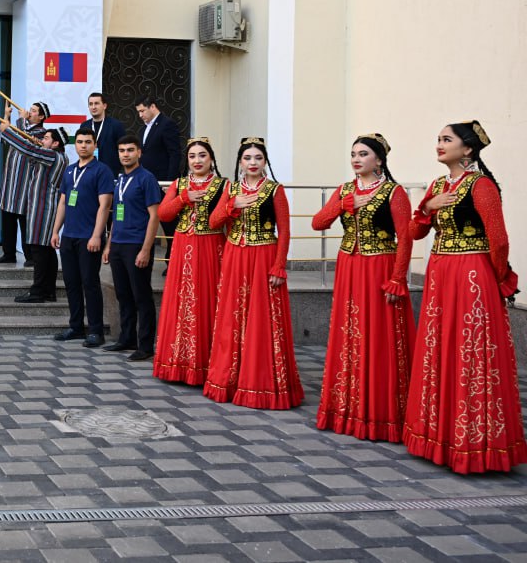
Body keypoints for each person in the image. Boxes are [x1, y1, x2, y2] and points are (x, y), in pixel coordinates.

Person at [403, 121, 525, 473]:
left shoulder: (481, 186)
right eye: (438, 139)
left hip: (472, 274)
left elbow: (498, 239)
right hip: (441, 274)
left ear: (467, 149)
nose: (439, 144)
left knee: (470, 350)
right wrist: (428, 207)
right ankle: (438, 436)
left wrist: (499, 278)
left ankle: (475, 442)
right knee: (440, 348)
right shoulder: (438, 185)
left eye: (447, 139)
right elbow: (413, 232)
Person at [310, 133, 414, 442]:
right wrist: (345, 205)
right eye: (354, 154)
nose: (356, 159)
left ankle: (383, 412)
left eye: (364, 154)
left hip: (380, 266)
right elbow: (318, 223)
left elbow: (405, 238)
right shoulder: (345, 191)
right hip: (349, 267)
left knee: (379, 334)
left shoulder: (394, 192)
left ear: (379, 159)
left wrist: (398, 278)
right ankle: (348, 407)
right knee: (350, 332)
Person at [203, 137, 303, 409]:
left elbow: (285, 231)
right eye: (247, 158)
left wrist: (279, 266)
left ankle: (260, 382)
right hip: (235, 256)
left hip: (264, 255)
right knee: (232, 316)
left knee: (262, 317)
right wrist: (232, 205)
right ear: (240, 162)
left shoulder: (274, 190)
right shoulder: (232, 189)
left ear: (265, 162)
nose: (253, 163)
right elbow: (213, 221)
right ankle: (229, 379)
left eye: (258, 158)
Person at [151, 137, 227, 385]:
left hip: (211, 247)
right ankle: (178, 363)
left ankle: (207, 366)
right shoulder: (179, 184)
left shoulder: (224, 185)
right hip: (183, 248)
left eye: (202, 155)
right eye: (192, 156)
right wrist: (184, 198)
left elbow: (227, 221)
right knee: (180, 301)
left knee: (208, 300)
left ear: (211, 158)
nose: (197, 160)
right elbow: (163, 214)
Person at [101, 135, 164, 361]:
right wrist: (109, 245)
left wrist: (146, 249)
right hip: (118, 244)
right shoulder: (120, 180)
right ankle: (127, 338)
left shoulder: (147, 179)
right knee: (123, 294)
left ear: (139, 152)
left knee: (141, 296)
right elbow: (116, 216)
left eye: (130, 150)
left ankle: (145, 345)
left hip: (137, 244)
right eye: (122, 150)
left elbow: (154, 216)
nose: (125, 154)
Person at [49, 128, 114, 346]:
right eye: (79, 142)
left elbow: (104, 206)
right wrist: (55, 230)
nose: (83, 145)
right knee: (71, 283)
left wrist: (97, 235)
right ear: (74, 145)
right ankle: (76, 327)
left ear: (95, 145)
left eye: (87, 142)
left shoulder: (102, 171)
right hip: (69, 236)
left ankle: (96, 331)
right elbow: (62, 203)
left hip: (89, 237)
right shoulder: (69, 171)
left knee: (90, 283)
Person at [0, 107, 67, 304]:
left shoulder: (52, 156)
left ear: (55, 143)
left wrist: (7, 131)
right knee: (46, 251)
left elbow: (28, 149)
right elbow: (31, 152)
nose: (42, 141)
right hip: (43, 207)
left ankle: (37, 291)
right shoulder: (57, 157)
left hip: (42, 209)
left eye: (46, 138)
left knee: (39, 251)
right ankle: (48, 291)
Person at [0, 102, 48, 265]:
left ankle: (30, 256)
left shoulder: (41, 134)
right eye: (30, 110)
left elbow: (23, 139)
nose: (29, 112)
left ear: (41, 116)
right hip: (11, 183)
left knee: (25, 223)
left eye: (34, 111)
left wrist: (21, 120)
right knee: (8, 221)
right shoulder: (22, 128)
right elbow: (5, 134)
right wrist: (6, 116)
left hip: (25, 185)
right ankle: (8, 254)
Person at [136, 97, 181, 266]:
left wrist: (169, 183)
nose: (140, 115)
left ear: (152, 107)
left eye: (142, 111)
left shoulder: (166, 124)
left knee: (168, 223)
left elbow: (174, 154)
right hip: (147, 182)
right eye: (138, 112)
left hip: (162, 184)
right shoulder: (143, 129)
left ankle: (172, 261)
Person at [81, 92, 125, 183]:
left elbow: (123, 150)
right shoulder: (84, 126)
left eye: (96, 103)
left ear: (104, 106)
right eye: (90, 104)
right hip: (88, 173)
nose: (93, 107)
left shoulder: (116, 125)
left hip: (110, 174)